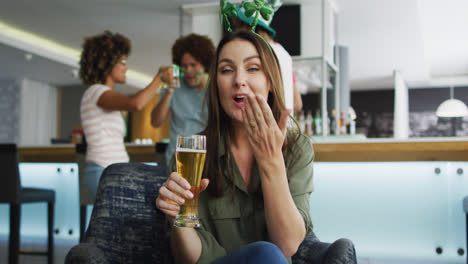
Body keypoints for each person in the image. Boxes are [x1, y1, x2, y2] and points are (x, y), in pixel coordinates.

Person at [155, 30, 314, 264]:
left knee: (269, 254)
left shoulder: (297, 148)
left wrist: (272, 162)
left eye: (252, 68)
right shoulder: (192, 154)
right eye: (227, 70)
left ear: (270, 82)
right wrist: (176, 218)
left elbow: (288, 244)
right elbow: (187, 258)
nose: (239, 80)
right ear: (216, 86)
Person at [79, 30, 173, 199]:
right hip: (104, 172)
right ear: (107, 63)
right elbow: (136, 104)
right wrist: (160, 78)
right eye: (122, 61)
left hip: (109, 171)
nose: (126, 67)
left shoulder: (98, 94)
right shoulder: (96, 91)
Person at [150, 33, 215, 165]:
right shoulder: (174, 85)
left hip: (205, 160)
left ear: (205, 65)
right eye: (184, 66)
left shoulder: (216, 89)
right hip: (176, 161)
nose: (188, 71)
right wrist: (169, 91)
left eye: (193, 65)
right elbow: (155, 122)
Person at [232, 2, 303, 115]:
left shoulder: (256, 51)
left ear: (248, 26)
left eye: (238, 27)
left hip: (265, 126)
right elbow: (297, 103)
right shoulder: (284, 53)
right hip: (287, 127)